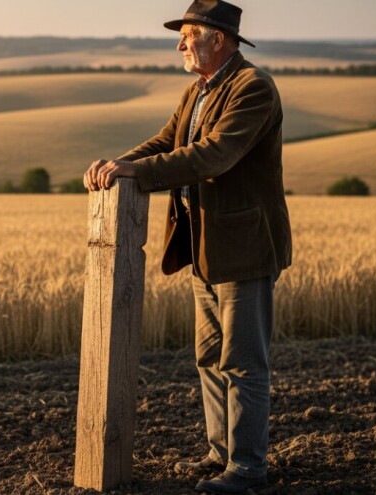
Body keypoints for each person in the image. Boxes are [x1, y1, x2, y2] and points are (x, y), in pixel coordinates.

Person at [83, 0, 292, 493]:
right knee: (209, 356)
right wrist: (119, 162)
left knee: (242, 360)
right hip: (201, 246)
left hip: (244, 247)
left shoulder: (253, 88)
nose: (179, 44)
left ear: (217, 39)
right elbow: (165, 141)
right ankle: (222, 455)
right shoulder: (198, 90)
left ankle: (247, 469)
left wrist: (139, 173)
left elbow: (214, 154)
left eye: (188, 34)